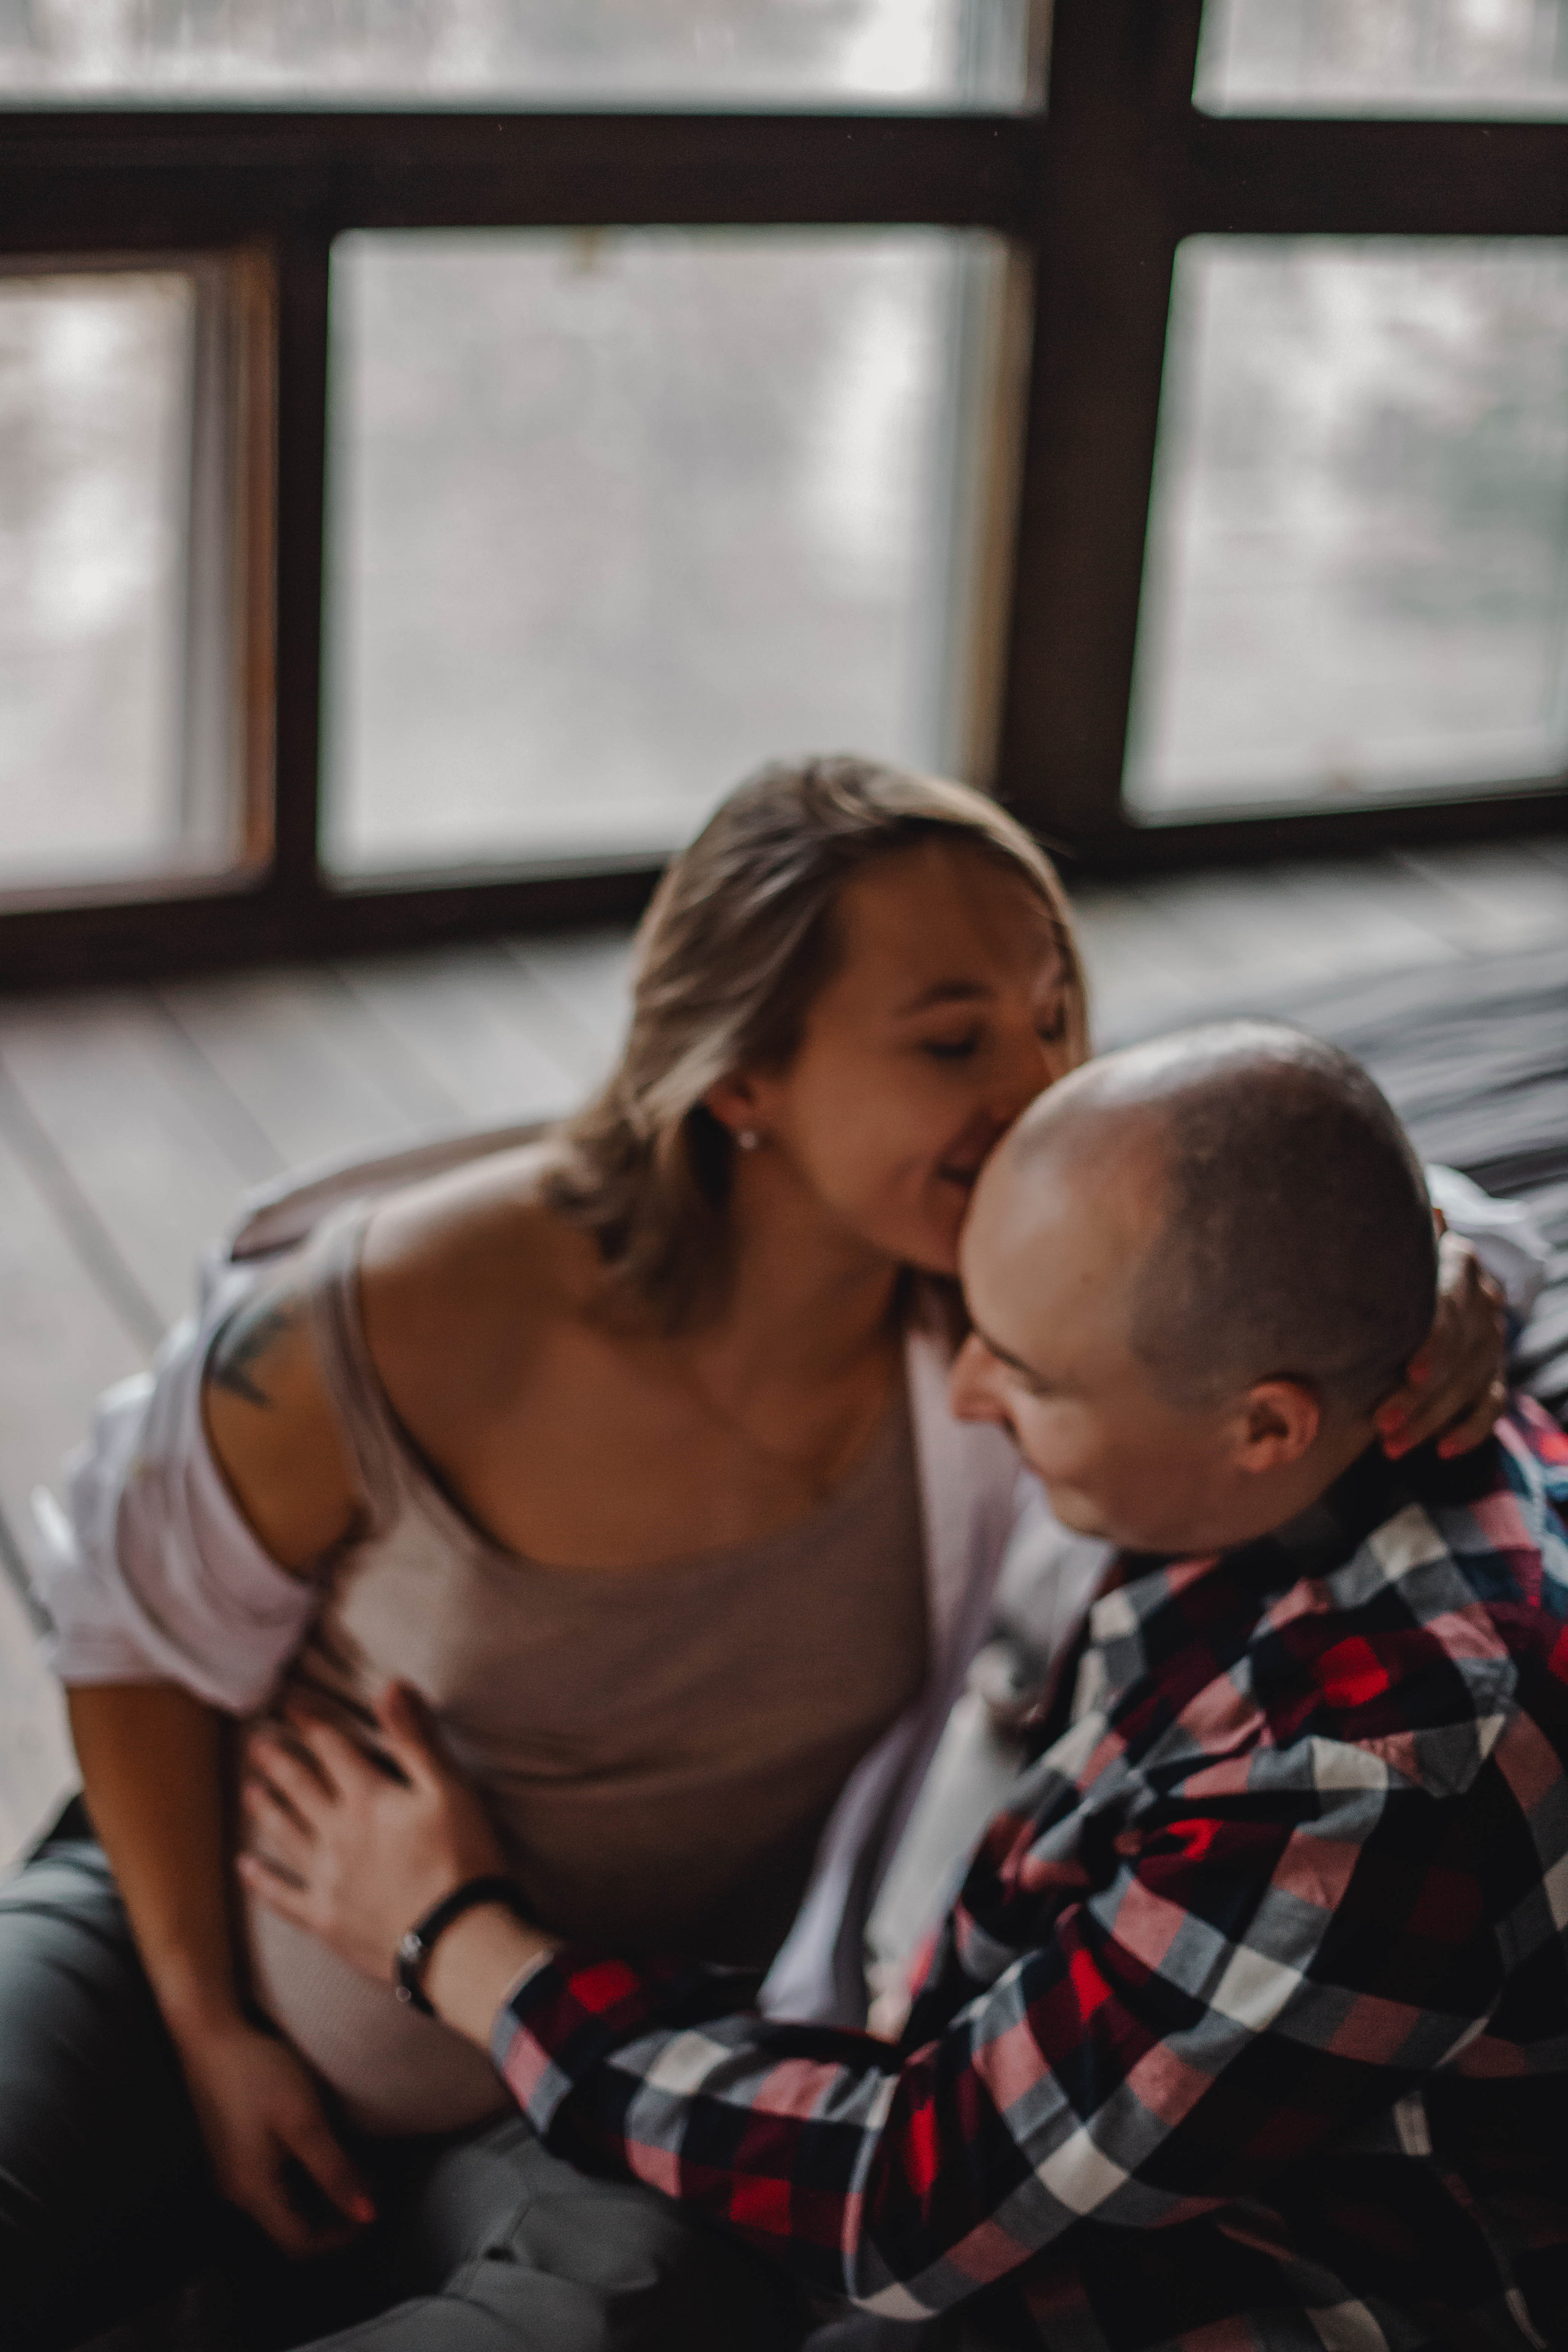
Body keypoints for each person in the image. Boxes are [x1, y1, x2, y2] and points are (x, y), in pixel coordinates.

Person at [0, 759, 1526, 2352]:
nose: (1041, 1080)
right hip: (184, 1941)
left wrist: (1440, 1277)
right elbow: (125, 1621)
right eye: (955, 1042)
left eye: (1057, 1014)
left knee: (655, 2313)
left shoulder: (1015, 1328)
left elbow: (1252, 1209)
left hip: (597, 2063)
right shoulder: (402, 1306)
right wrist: (201, 2024)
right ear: (743, 1079)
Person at [247, 1023, 1568, 2351]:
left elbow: (909, 2203)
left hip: (1288, 2273)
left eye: (1029, 1372)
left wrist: (458, 1942)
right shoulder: (1356, 1368)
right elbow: (1294, 1197)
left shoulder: (1376, 1770)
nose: (970, 1387)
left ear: (1263, 1427)